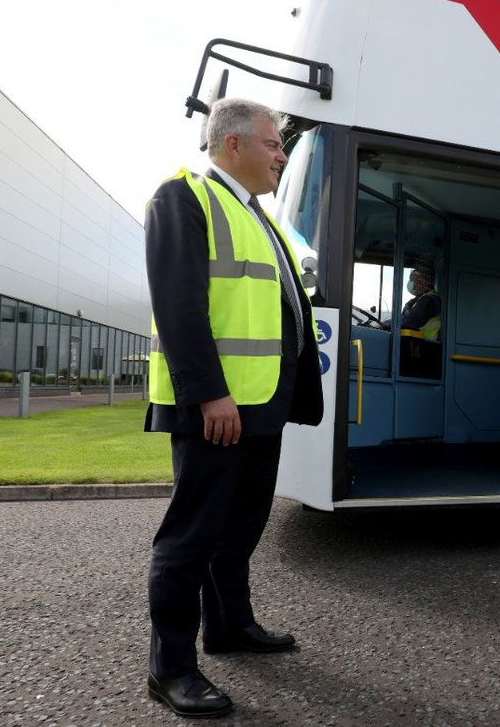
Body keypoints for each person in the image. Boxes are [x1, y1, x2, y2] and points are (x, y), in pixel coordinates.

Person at [143, 97, 323, 718]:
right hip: (217, 405)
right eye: (274, 144)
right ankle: (170, 669)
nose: (281, 155)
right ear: (234, 146)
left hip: (259, 406)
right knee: (191, 538)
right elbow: (178, 304)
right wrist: (209, 392)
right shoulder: (184, 197)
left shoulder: (257, 214)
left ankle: (230, 626)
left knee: (240, 531)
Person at [400, 267, 442, 340]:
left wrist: (385, 325)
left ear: (427, 283)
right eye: (413, 280)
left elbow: (410, 321)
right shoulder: (420, 299)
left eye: (418, 281)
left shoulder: (429, 300)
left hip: (424, 345)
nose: (415, 284)